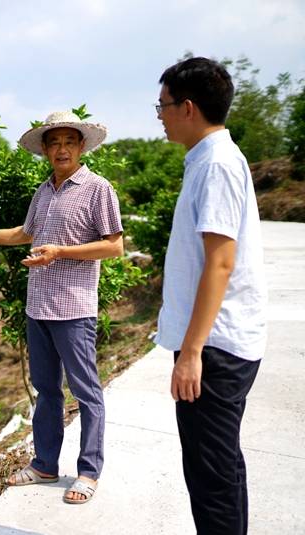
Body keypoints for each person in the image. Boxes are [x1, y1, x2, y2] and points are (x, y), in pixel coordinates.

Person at [0, 110, 123, 504]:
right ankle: (45, 464)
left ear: (81, 147)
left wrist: (60, 252)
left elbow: (114, 246)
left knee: (86, 392)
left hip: (74, 309)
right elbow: (24, 234)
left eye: (69, 142)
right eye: (54, 143)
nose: (61, 149)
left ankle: (88, 472)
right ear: (45, 149)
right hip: (39, 306)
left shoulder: (98, 189)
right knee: (46, 390)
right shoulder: (43, 191)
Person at [154, 57, 267, 534]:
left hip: (215, 347)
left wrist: (192, 353)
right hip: (216, 341)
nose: (158, 115)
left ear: (188, 107)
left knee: (211, 476)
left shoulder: (217, 164)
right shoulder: (208, 158)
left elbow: (221, 261)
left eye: (162, 105)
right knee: (219, 467)